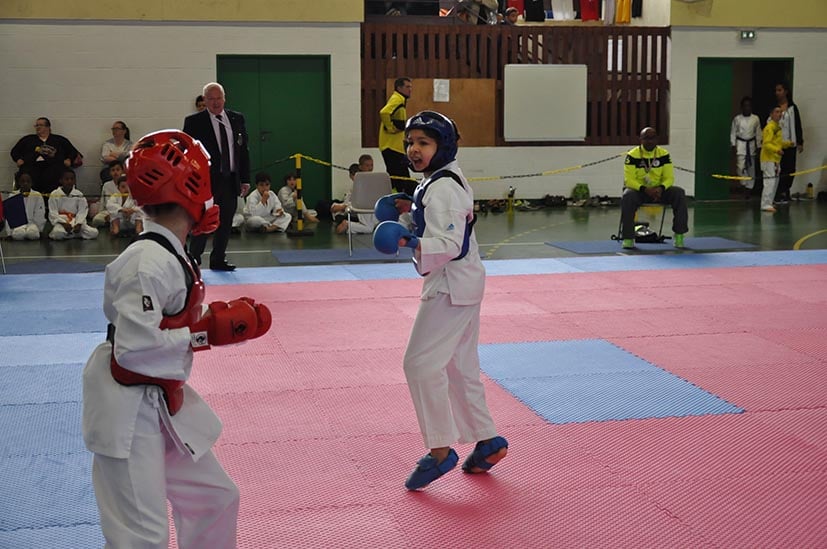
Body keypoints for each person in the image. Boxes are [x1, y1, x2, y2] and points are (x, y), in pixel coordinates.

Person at [82, 130, 271, 548]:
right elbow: (132, 350)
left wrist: (217, 321)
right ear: (190, 188)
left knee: (215, 499)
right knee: (141, 537)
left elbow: (169, 323)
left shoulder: (171, 253)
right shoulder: (146, 262)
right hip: (127, 408)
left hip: (160, 399)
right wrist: (205, 333)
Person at [372, 111, 508, 491]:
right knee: (459, 367)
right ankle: (487, 441)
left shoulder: (443, 188)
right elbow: (442, 221)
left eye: (424, 143)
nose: (413, 150)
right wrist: (410, 209)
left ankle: (439, 450)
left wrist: (409, 240)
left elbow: (450, 243)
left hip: (450, 287)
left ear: (443, 147)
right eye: (410, 143)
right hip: (464, 284)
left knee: (418, 364)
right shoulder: (436, 181)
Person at [183, 82, 251, 271]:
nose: (215, 102)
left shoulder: (237, 118)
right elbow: (187, 153)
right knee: (203, 221)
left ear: (224, 98)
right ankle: (194, 259)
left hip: (230, 178)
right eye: (211, 99)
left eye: (218, 98)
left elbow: (243, 151)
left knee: (226, 220)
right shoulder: (194, 122)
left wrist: (245, 178)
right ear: (205, 101)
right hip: (206, 181)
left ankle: (218, 258)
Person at [620, 127, 688, 249]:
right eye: (646, 138)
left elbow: (669, 178)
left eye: (652, 138)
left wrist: (661, 188)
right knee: (627, 196)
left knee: (679, 193)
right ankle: (628, 238)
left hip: (659, 191)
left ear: (657, 139)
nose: (650, 141)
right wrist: (644, 189)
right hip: (640, 191)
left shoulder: (664, 154)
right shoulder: (632, 155)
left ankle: (679, 235)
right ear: (641, 139)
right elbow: (629, 180)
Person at [10, 117, 82, 195]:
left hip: (54, 166)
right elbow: (14, 151)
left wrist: (69, 159)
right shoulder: (28, 139)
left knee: (60, 173)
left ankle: (53, 199)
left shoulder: (59, 140)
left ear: (48, 127)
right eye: (36, 125)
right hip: (32, 166)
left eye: (40, 125)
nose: (38, 127)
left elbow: (73, 151)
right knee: (26, 174)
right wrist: (18, 159)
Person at [379, 77, 416, 196]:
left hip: (394, 147)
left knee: (397, 179)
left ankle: (398, 197)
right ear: (399, 88)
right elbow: (384, 112)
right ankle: (400, 199)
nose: (410, 89)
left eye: (411, 87)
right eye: (407, 87)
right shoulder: (397, 98)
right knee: (402, 179)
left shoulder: (400, 100)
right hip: (391, 147)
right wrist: (390, 128)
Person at [773, 82, 804, 204]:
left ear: (785, 91)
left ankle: (786, 190)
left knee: (790, 169)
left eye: (779, 90)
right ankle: (778, 192)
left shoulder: (792, 108)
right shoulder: (775, 108)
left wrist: (800, 142)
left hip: (791, 143)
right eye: (776, 90)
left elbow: (797, 124)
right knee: (779, 169)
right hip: (778, 144)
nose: (777, 93)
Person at [48, 168, 99, 240]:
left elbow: (82, 211)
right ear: (61, 180)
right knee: (57, 233)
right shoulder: (54, 194)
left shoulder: (79, 194)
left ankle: (70, 234)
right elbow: (53, 212)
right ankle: (74, 234)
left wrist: (79, 223)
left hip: (75, 221)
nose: (69, 181)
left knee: (94, 233)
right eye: (67, 179)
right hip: (62, 222)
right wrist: (64, 223)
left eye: (72, 179)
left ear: (75, 181)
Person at [759, 106, 793, 213]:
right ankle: (765, 204)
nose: (780, 114)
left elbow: (778, 143)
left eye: (780, 112)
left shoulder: (777, 127)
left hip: (775, 160)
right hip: (768, 159)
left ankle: (769, 201)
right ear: (771, 114)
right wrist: (776, 150)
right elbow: (766, 144)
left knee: (775, 182)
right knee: (769, 182)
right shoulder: (769, 128)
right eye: (777, 112)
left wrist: (788, 144)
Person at [730, 96, 762, 195]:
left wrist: (759, 145)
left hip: (751, 144)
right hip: (741, 144)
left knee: (751, 167)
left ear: (751, 107)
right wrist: (733, 145)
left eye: (749, 106)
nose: (747, 108)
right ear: (741, 107)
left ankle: (749, 188)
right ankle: (744, 183)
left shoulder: (755, 118)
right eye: (745, 106)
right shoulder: (737, 119)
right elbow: (733, 132)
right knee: (740, 167)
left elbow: (758, 133)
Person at [5, 171, 46, 240]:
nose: (25, 183)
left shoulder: (37, 195)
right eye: (23, 181)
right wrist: (9, 234)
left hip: (32, 224)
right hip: (18, 225)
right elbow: (9, 216)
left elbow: (40, 214)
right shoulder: (13, 195)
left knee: (33, 234)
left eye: (28, 181)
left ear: (31, 183)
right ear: (19, 183)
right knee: (18, 234)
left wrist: (40, 230)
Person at [91, 160, 126, 227]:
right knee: (96, 219)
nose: (115, 172)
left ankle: (113, 222)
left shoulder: (127, 183)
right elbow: (103, 201)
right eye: (113, 170)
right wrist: (101, 213)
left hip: (124, 211)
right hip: (109, 211)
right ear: (110, 172)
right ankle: (112, 222)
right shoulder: (106, 185)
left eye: (118, 170)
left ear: (122, 171)